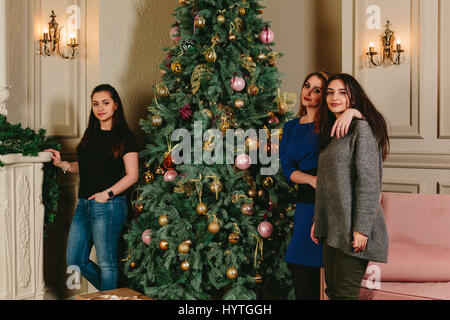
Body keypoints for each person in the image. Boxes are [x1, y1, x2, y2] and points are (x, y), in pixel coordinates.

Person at [45, 84, 139, 291]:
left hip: (109, 204)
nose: (100, 108)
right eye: (95, 104)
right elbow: (89, 167)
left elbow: (132, 175)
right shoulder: (91, 135)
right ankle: (119, 293)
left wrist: (107, 194)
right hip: (84, 204)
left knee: (107, 264)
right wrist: (65, 165)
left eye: (105, 103)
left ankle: (114, 295)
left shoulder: (125, 137)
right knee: (75, 259)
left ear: (115, 105)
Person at [280, 71, 364, 300]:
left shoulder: (332, 123)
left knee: (332, 272)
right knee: (298, 262)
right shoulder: (290, 127)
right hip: (305, 200)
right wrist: (311, 180)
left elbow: (363, 127)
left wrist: (352, 112)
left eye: (317, 90)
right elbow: (287, 168)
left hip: (331, 201)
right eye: (307, 86)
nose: (309, 93)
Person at [312, 73, 390, 300]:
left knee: (344, 295)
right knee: (333, 291)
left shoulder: (362, 129)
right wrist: (319, 220)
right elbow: (327, 184)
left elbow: (368, 184)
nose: (334, 97)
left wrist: (362, 229)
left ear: (353, 97)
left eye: (342, 93)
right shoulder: (333, 132)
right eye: (330, 92)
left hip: (353, 229)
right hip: (333, 229)